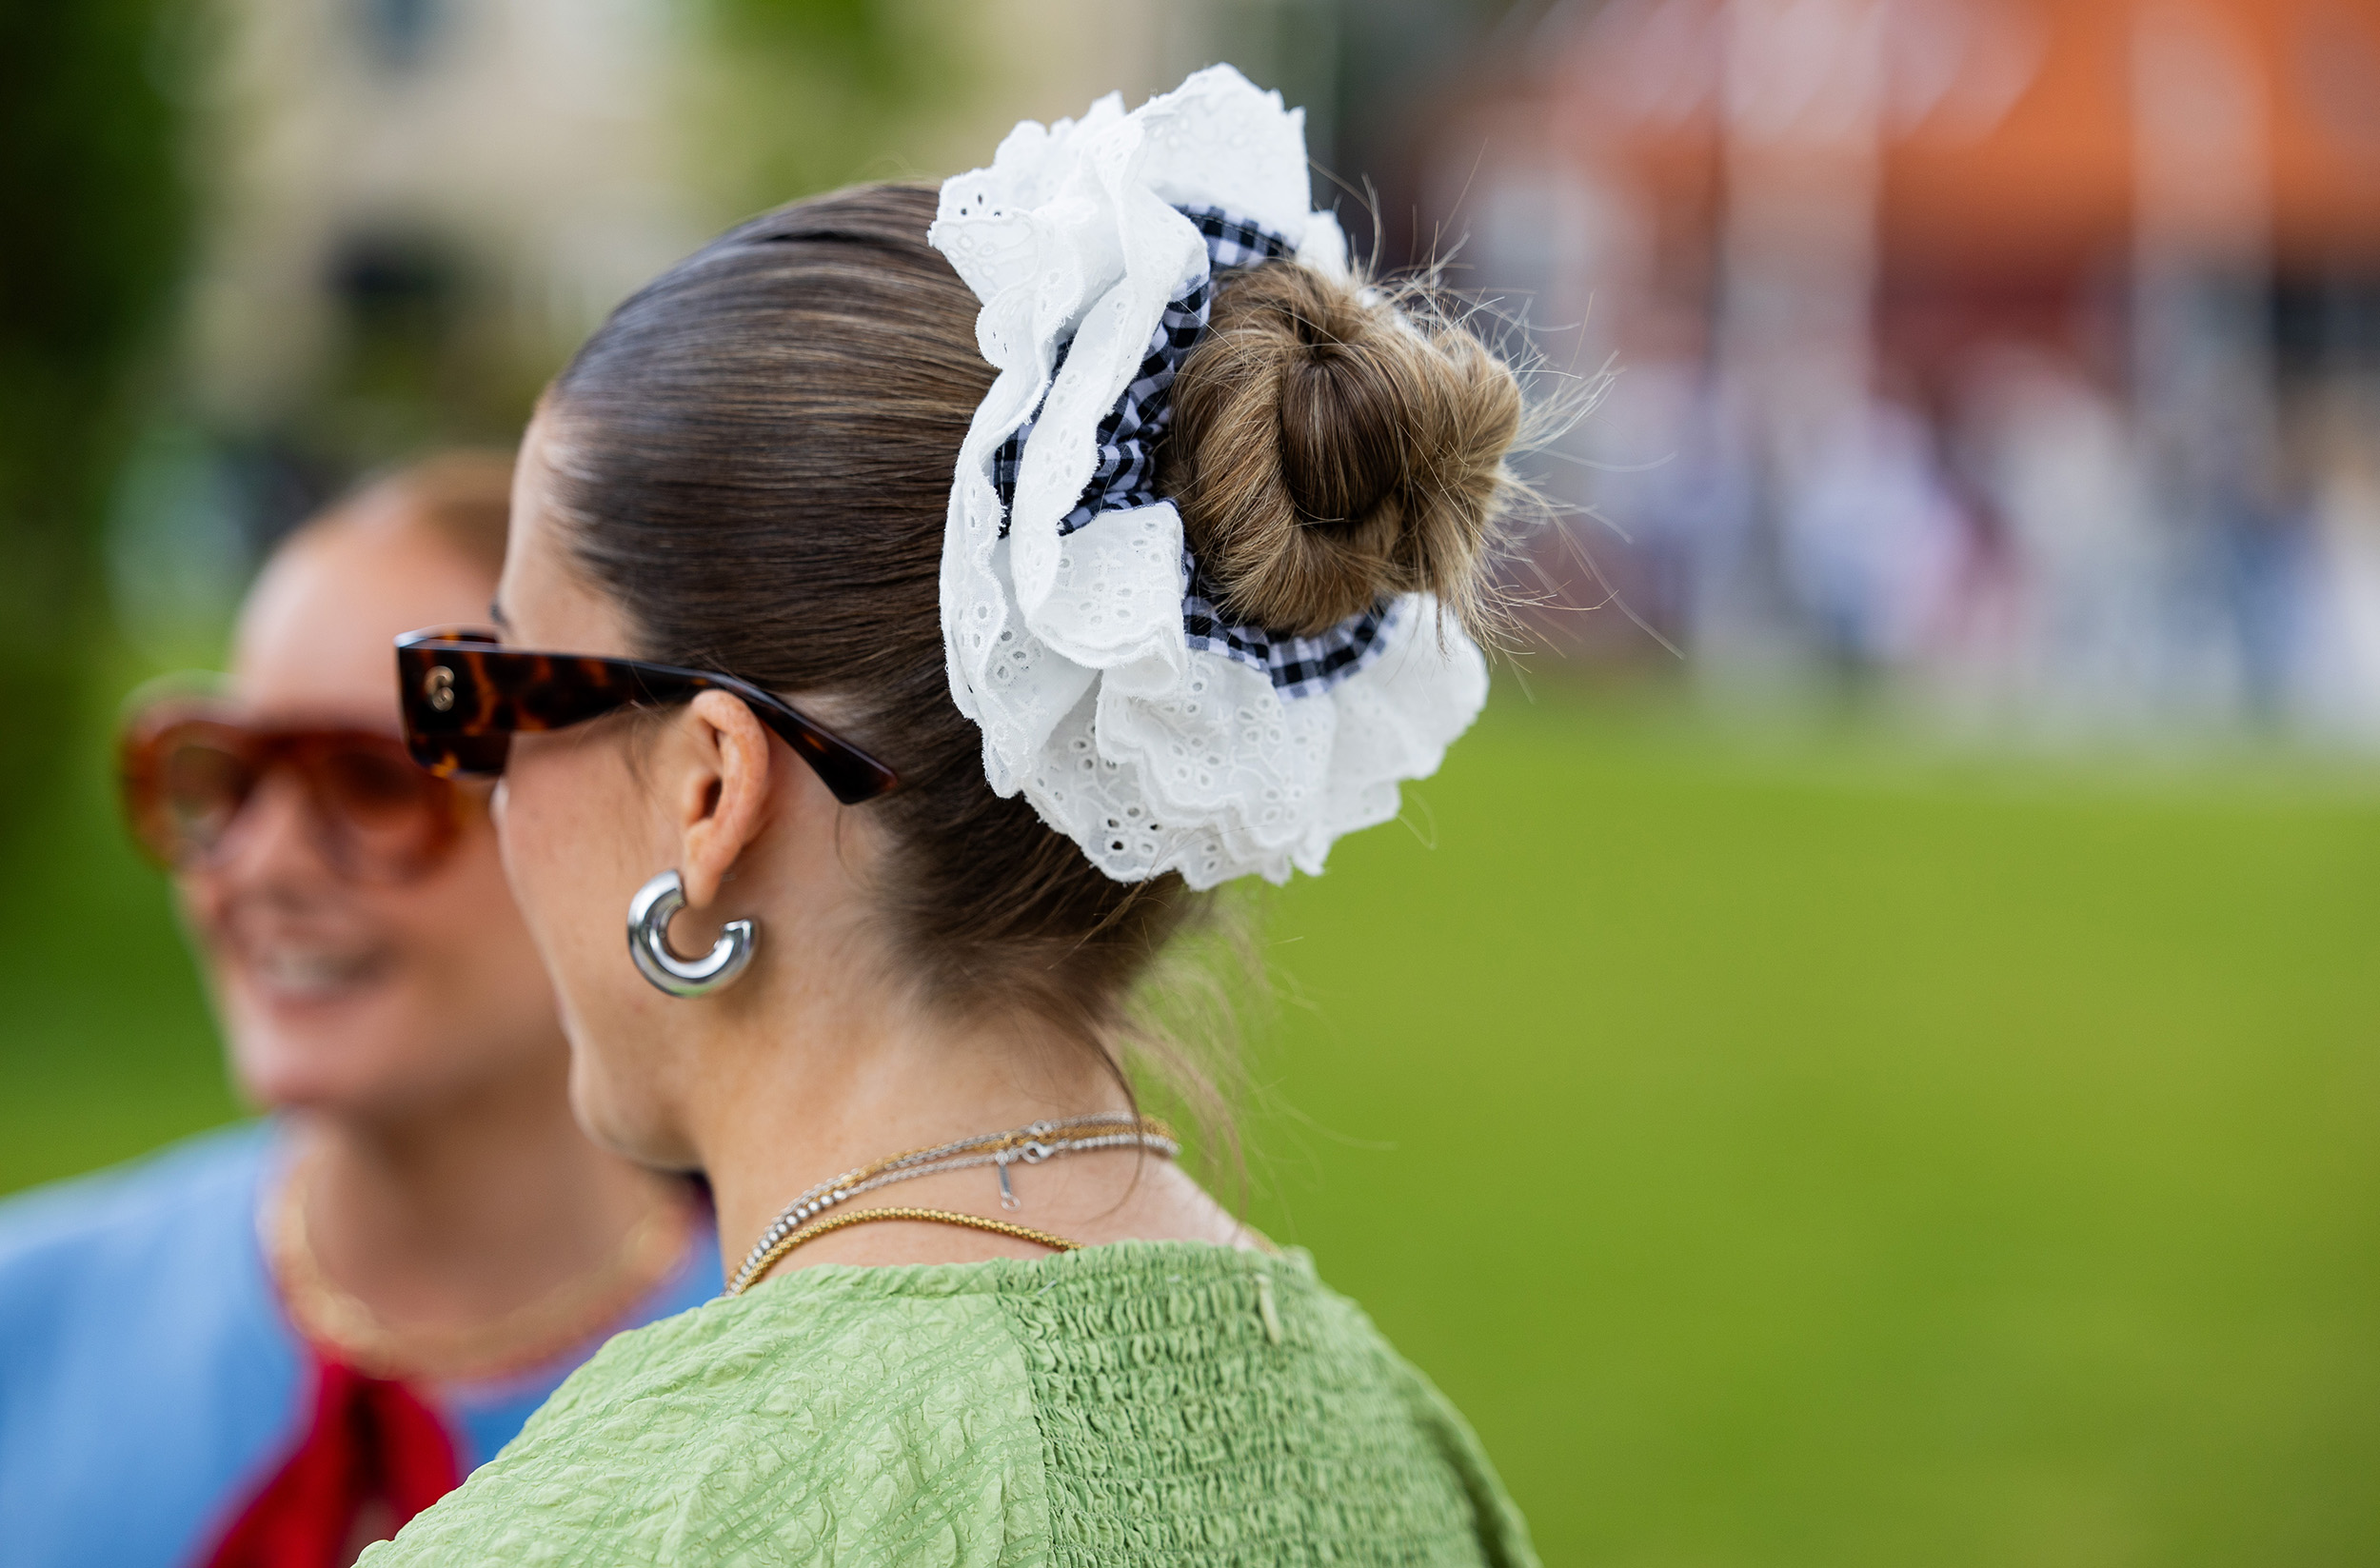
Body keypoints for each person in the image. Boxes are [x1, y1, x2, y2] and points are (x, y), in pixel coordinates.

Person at [372, 68, 1537, 1564]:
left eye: (493, 690)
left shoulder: (644, 1523)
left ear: (709, 791)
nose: (481, 784)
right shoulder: (1391, 1446)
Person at [0, 454, 720, 1568]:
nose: (260, 863)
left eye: (376, 782)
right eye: (226, 771)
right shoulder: (27, 1322)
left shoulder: (805, 1398)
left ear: (637, 826)